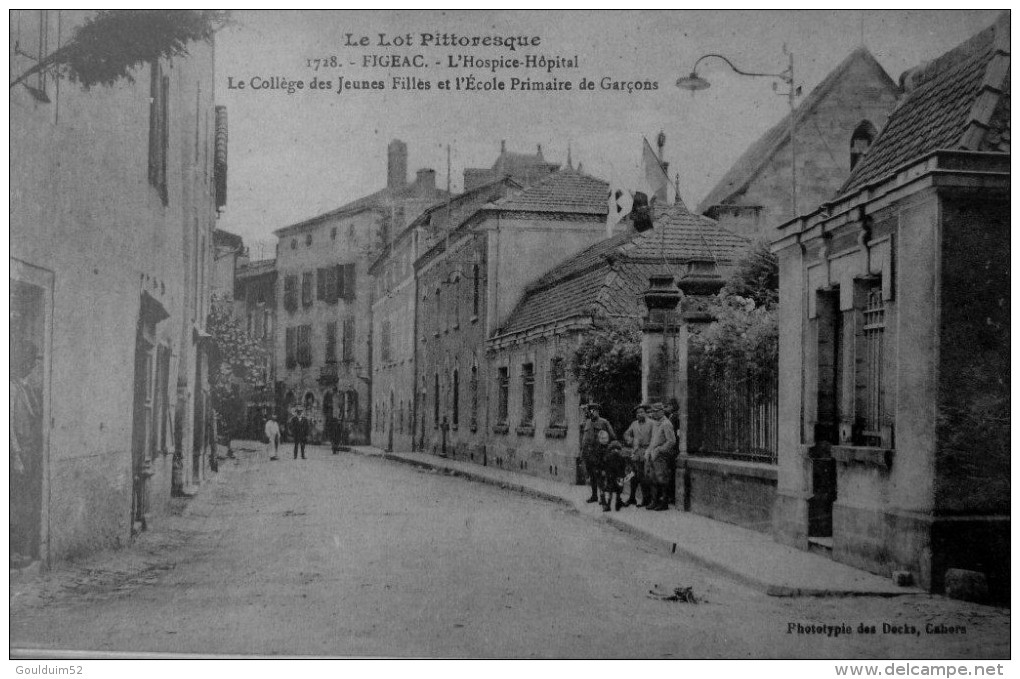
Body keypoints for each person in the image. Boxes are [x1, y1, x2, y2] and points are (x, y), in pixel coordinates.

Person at [579, 403, 615, 503]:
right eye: (590, 411)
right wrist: (583, 452)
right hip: (588, 454)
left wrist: (605, 449)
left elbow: (612, 436)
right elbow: (584, 439)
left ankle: (603, 498)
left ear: (597, 411)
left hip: (600, 454)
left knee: (600, 476)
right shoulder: (587, 422)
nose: (591, 413)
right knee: (592, 476)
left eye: (593, 411)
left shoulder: (604, 422)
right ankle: (594, 496)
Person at [645, 402, 676, 511]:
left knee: (662, 479)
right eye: (653, 411)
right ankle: (654, 501)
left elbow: (671, 441)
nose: (653, 413)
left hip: (661, 456)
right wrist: (649, 451)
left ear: (661, 411)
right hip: (653, 455)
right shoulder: (655, 424)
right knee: (653, 479)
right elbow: (653, 440)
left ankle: (664, 502)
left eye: (656, 411)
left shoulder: (666, 424)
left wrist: (660, 450)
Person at [622, 404, 654, 507]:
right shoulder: (634, 424)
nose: (639, 414)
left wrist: (650, 449)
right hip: (636, 452)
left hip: (647, 451)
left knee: (644, 477)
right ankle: (632, 498)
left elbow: (655, 438)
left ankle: (646, 499)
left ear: (646, 413)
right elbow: (626, 434)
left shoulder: (652, 423)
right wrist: (631, 440)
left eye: (641, 412)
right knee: (633, 475)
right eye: (637, 413)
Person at [600, 441, 627, 512]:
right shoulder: (621, 458)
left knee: (610, 491)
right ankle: (617, 503)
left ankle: (608, 505)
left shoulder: (608, 457)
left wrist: (605, 472)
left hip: (611, 476)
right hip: (618, 476)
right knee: (618, 490)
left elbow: (604, 466)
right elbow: (623, 467)